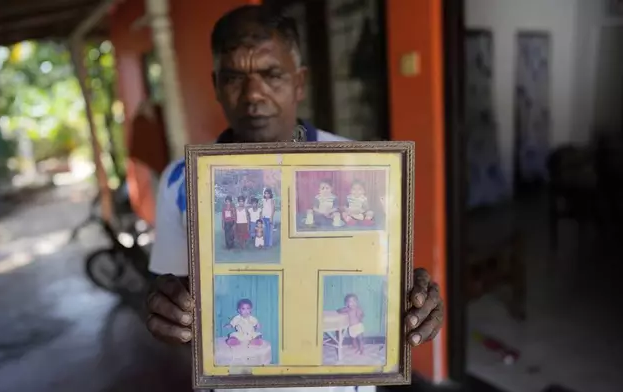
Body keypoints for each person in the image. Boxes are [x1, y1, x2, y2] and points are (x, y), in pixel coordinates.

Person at [146, 4, 444, 391]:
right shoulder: (181, 182)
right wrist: (166, 311)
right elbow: (172, 290)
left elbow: (381, 277)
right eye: (235, 77)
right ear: (216, 85)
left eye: (272, 75)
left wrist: (414, 301)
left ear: (299, 82)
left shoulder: (365, 169)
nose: (253, 94)